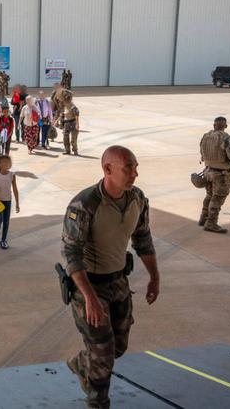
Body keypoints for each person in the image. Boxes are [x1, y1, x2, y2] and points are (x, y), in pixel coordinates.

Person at [62, 145, 159, 409]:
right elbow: (72, 254)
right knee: (103, 352)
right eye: (129, 167)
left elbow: (143, 238)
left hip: (118, 282)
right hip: (89, 286)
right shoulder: (84, 204)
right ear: (108, 169)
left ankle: (82, 363)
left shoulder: (137, 199)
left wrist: (154, 277)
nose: (135, 173)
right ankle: (97, 402)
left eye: (136, 167)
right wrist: (89, 298)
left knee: (117, 347)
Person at [198, 116, 230, 233]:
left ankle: (203, 218)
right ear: (225, 126)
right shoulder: (226, 138)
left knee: (209, 195)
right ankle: (211, 223)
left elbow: (202, 153)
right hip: (220, 174)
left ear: (214, 125)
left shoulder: (205, 136)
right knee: (217, 198)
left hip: (208, 172)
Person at [0, 155, 20, 249]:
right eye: (4, 162)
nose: (6, 164)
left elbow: (15, 189)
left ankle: (3, 240)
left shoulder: (12, 175)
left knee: (6, 221)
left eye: (8, 163)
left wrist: (17, 203)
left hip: (8, 201)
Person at [59, 91, 79, 156]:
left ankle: (75, 150)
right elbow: (62, 115)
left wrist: (77, 124)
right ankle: (67, 150)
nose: (64, 102)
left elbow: (77, 116)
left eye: (65, 101)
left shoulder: (73, 107)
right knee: (65, 138)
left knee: (73, 139)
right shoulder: (64, 107)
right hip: (66, 124)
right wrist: (59, 121)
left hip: (73, 123)